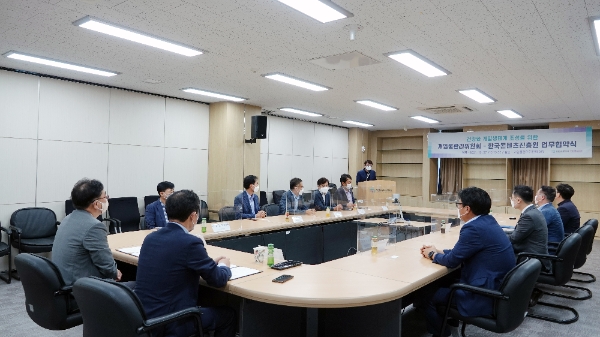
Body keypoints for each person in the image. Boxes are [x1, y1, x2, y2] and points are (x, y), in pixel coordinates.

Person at [135, 190, 235, 337]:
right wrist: (224, 266)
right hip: (173, 322)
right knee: (228, 315)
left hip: (146, 317)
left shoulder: (151, 238)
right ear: (193, 216)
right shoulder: (190, 242)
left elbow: (175, 264)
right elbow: (218, 279)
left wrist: (206, 264)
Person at [417, 187, 515, 337]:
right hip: (495, 284)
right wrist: (440, 251)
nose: (458, 208)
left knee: (426, 295)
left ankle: (443, 333)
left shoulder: (473, 228)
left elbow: (451, 261)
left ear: (467, 209)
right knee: (445, 280)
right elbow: (464, 251)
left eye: (459, 205)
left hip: (482, 293)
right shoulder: (487, 221)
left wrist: (431, 254)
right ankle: (452, 326)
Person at [52, 178, 121, 286]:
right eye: (105, 196)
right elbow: (108, 268)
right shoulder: (94, 226)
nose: (107, 199)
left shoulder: (69, 218)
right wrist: (115, 272)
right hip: (81, 288)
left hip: (64, 279)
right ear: (96, 204)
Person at [507, 185, 549, 270]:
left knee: (496, 254)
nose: (511, 200)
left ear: (518, 200)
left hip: (531, 258)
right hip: (534, 255)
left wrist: (497, 237)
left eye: (512, 198)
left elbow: (513, 239)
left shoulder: (529, 216)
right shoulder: (533, 211)